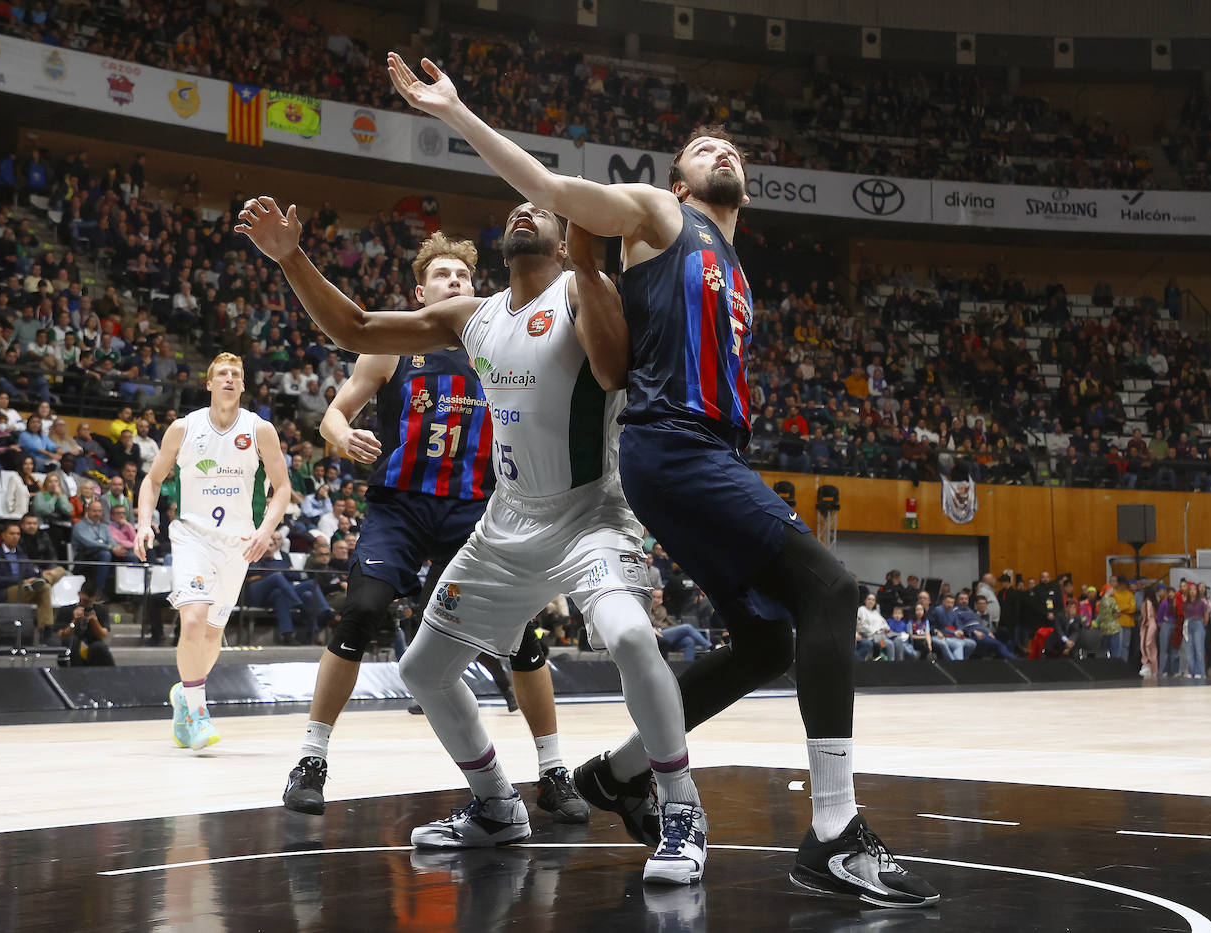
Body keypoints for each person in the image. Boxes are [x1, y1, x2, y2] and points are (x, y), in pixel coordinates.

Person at [384, 54, 935, 905]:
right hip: (672, 447)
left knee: (769, 642)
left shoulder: (735, 268)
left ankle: (617, 772)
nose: (722, 151)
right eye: (702, 147)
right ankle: (834, 832)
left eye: (731, 148)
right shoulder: (659, 218)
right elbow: (552, 187)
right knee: (829, 587)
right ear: (674, 181)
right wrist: (458, 113)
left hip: (701, 454)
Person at [238, 194, 704, 884]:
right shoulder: (473, 317)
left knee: (633, 638)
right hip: (506, 521)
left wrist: (588, 244)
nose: (526, 211)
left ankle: (682, 809)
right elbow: (356, 324)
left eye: (543, 209)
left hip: (588, 515)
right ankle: (495, 804)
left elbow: (613, 370)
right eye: (516, 207)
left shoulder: (588, 291)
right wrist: (290, 259)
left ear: (566, 231)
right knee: (423, 668)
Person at [264, 234, 582, 822]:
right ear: (420, 291)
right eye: (442, 274)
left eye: (463, 274)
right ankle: (311, 760)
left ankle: (554, 770)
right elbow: (336, 411)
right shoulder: (391, 347)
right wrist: (341, 435)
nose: (455, 282)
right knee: (361, 611)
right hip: (400, 508)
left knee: (521, 635)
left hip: (472, 510)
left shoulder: (497, 342)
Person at [133, 353, 292, 751]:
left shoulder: (260, 429)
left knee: (212, 635)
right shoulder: (183, 428)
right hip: (192, 536)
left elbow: (283, 488)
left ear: (242, 385)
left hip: (237, 544)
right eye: (221, 373)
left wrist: (264, 532)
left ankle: (184, 696)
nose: (228, 379)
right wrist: (143, 524)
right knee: (193, 622)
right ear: (208, 384)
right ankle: (199, 713)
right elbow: (152, 481)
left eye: (235, 375)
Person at [0, 519, 59, 641]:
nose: (15, 537)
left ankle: (46, 630)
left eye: (18, 534)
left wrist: (36, 575)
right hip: (3, 592)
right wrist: (21, 581)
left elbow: (31, 570)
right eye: (12, 534)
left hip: (23, 588)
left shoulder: (21, 553)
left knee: (47, 585)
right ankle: (46, 633)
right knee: (43, 587)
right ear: (3, 535)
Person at [650, 588, 714, 661]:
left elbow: (670, 622)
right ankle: (709, 646)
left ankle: (688, 667)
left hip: (666, 633)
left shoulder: (662, 609)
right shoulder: (646, 609)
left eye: (658, 597)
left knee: (689, 641)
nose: (656, 600)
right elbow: (654, 622)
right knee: (686, 627)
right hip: (656, 635)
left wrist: (676, 629)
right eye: (654, 597)